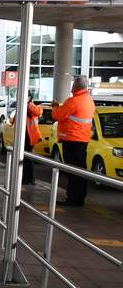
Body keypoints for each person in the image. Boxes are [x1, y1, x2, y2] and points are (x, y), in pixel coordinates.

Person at [51, 76, 95, 206]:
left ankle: (73, 198)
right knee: (80, 170)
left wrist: (55, 106)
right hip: (82, 139)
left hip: (72, 140)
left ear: (75, 87)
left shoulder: (73, 101)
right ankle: (79, 198)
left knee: (72, 171)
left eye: (72, 84)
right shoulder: (89, 100)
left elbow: (57, 115)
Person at [14, 94, 42, 185]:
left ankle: (29, 178)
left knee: (27, 158)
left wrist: (28, 104)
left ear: (30, 98)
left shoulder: (31, 106)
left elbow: (38, 112)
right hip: (24, 136)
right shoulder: (22, 106)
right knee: (25, 158)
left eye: (26, 97)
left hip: (30, 137)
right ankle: (27, 178)